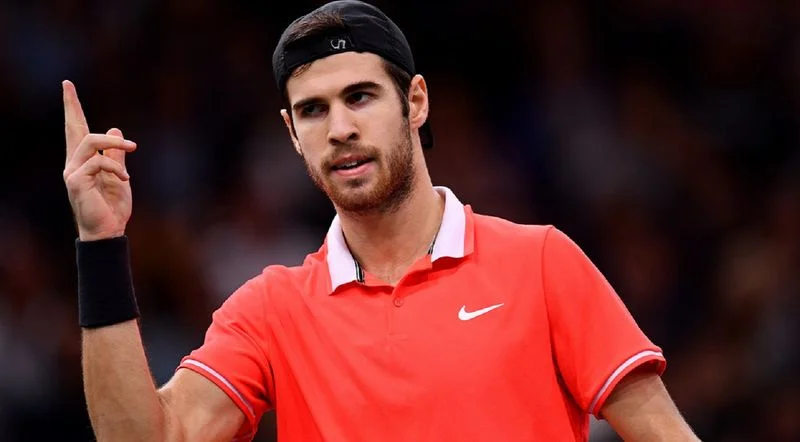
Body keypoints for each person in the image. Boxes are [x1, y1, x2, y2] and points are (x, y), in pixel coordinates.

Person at [62, 1, 700, 441]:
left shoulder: (540, 261)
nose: (340, 128)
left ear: (415, 101)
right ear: (292, 133)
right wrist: (100, 241)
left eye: (360, 96)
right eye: (313, 110)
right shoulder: (271, 311)